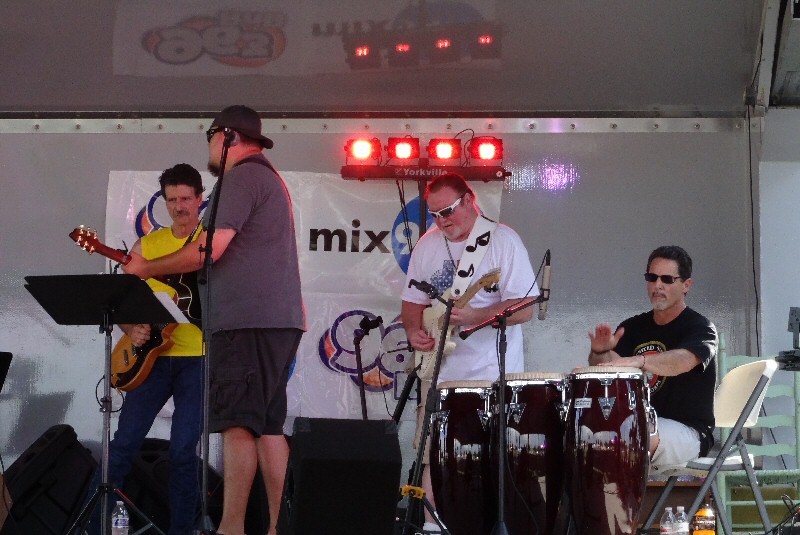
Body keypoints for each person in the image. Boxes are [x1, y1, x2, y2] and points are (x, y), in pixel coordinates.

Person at [122, 105, 305, 535]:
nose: (208, 145)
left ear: (227, 137)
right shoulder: (267, 178)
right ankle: (273, 528)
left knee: (239, 425)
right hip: (272, 322)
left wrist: (146, 268)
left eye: (209, 135)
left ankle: (231, 529)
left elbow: (208, 250)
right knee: (267, 427)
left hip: (246, 322)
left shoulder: (241, 178)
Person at [401, 172, 537, 533]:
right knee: (433, 455)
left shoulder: (502, 241)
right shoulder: (427, 246)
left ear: (468, 200)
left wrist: (477, 316)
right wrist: (413, 331)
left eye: (447, 211)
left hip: (489, 376)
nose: (442, 221)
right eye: (435, 215)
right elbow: (412, 302)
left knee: (489, 459)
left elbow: (524, 308)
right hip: (438, 373)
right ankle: (432, 528)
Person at [86, 163, 205, 535]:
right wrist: (131, 328)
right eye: (171, 200)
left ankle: (182, 530)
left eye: (185, 198)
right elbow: (120, 304)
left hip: (198, 360)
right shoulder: (147, 245)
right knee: (122, 445)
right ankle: (96, 527)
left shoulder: (210, 241)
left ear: (200, 199)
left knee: (183, 451)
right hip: (150, 360)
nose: (179, 206)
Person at [588, 245, 717, 470]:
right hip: (638, 421)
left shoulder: (701, 328)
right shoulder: (632, 326)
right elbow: (611, 366)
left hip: (688, 430)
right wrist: (601, 352)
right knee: (588, 432)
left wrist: (641, 361)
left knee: (631, 434)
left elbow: (684, 360)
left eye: (667, 279)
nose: (658, 285)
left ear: (686, 285)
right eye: (652, 277)